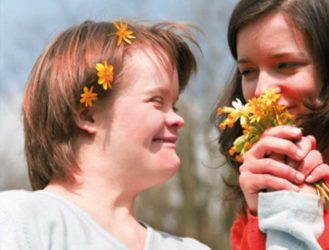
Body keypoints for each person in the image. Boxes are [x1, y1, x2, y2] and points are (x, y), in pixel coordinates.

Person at [0, 19, 210, 250]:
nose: (177, 119)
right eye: (156, 101)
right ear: (88, 115)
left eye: (175, 106)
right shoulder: (19, 222)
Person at [212, 0, 329, 249]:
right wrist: (266, 215)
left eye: (286, 65)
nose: (260, 90)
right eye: (248, 71)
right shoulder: (256, 205)